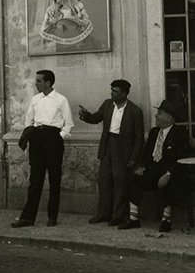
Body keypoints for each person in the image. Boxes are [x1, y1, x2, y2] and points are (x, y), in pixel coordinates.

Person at [12, 69, 74, 228]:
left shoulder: (61, 100)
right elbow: (29, 120)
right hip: (37, 139)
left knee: (54, 178)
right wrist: (31, 136)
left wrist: (59, 137)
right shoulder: (35, 99)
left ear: (48, 82)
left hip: (53, 139)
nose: (36, 83)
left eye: (39, 81)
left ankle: (52, 216)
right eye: (36, 80)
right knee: (35, 179)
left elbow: (68, 124)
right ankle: (28, 217)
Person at [78, 79, 144, 226]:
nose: (112, 93)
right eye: (111, 90)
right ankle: (103, 214)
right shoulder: (108, 104)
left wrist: (134, 159)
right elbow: (96, 118)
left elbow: (139, 139)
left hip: (123, 150)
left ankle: (118, 216)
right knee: (104, 180)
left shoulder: (135, 111)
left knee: (120, 182)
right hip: (108, 146)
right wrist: (86, 115)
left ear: (124, 93)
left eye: (115, 91)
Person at [118, 100, 191, 232]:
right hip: (152, 169)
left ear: (169, 117)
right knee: (133, 178)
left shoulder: (180, 133)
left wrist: (168, 174)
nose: (156, 116)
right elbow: (146, 153)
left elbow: (181, 158)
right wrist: (140, 167)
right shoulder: (154, 132)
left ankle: (166, 220)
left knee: (169, 183)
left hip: (169, 171)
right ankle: (133, 218)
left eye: (159, 113)